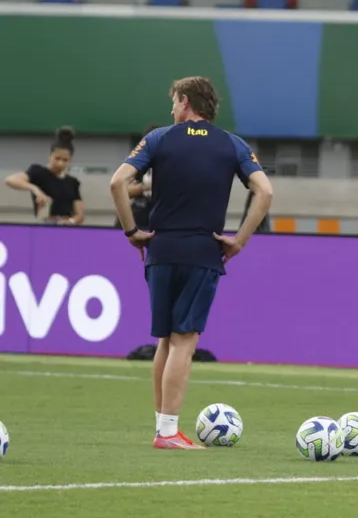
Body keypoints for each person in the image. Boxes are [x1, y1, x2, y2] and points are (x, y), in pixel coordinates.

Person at [109, 76, 273, 450]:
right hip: (203, 251)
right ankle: (168, 433)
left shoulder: (159, 138)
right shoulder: (233, 144)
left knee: (166, 339)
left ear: (185, 102)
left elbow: (118, 183)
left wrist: (132, 231)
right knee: (185, 341)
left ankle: (163, 427)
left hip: (161, 249)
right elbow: (265, 190)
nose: (170, 110)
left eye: (172, 102)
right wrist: (240, 240)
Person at [5, 126, 85, 225]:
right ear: (50, 156)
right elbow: (10, 180)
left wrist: (71, 221)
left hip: (66, 226)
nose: (60, 163)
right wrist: (35, 189)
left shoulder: (72, 182)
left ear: (70, 160)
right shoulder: (38, 172)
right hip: (45, 223)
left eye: (65, 160)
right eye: (57, 158)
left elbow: (80, 214)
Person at [114, 124, 164, 232]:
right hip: (139, 213)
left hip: (161, 214)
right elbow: (123, 189)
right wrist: (145, 187)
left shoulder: (171, 162)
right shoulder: (137, 162)